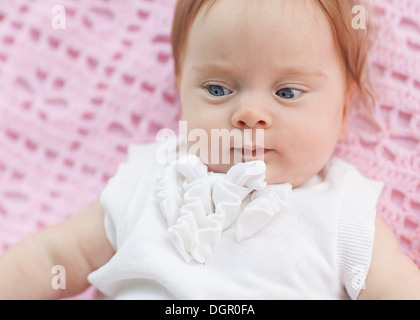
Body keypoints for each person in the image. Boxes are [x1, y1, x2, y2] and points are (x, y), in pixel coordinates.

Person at [1, 0, 420, 300]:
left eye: (287, 92)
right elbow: (52, 255)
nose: (251, 113)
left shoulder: (343, 214)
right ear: (180, 86)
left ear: (344, 111)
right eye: (218, 89)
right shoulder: (150, 178)